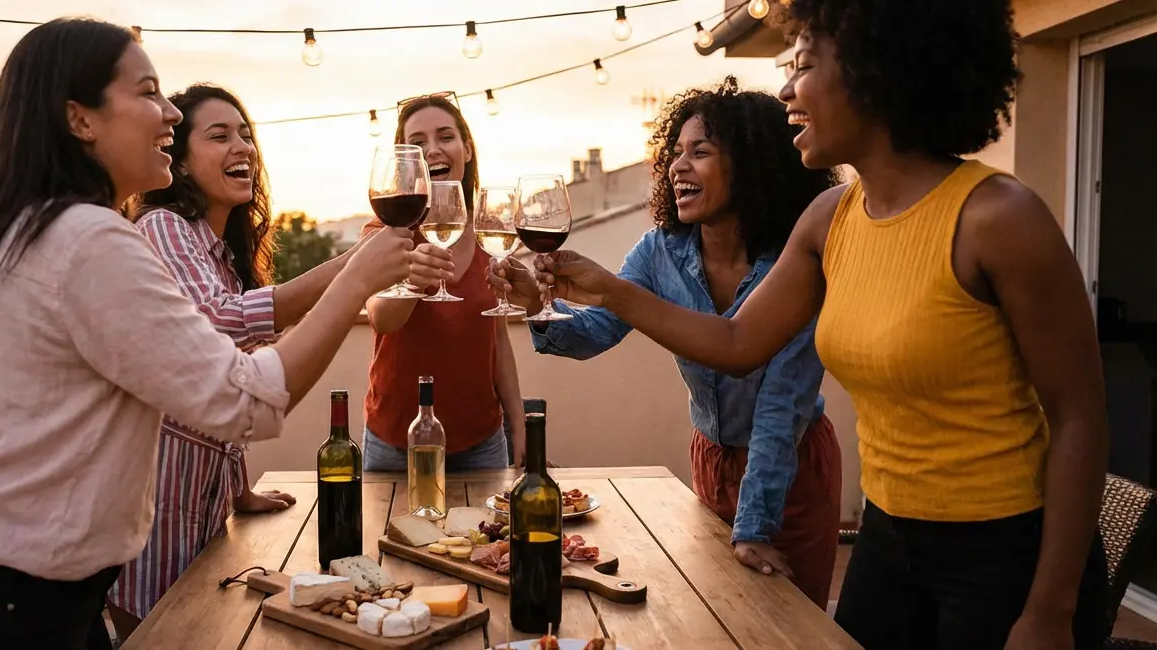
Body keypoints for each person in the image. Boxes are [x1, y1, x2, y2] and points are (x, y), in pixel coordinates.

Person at [522, 1, 1110, 648]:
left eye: (803, 64)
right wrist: (605, 289)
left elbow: (1079, 414)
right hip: (888, 543)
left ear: (874, 71)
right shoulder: (831, 217)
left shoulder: (999, 218)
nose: (786, 90)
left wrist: (1051, 608)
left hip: (1006, 552)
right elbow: (739, 343)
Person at [0, 18, 412, 650]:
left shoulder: (26, 229)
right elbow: (243, 400)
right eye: (149, 92)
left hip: (5, 599)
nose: (171, 113)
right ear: (81, 119)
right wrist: (353, 283)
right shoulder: (87, 240)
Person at [491, 77, 842, 607]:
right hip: (709, 458)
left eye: (699, 152)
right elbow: (594, 332)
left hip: (789, 469)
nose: (677, 166)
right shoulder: (660, 251)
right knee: (718, 616)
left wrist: (754, 527)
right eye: (675, 152)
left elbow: (781, 409)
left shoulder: (797, 262)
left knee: (788, 625)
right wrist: (536, 306)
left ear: (751, 165)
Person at [104, 82, 380, 639]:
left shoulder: (221, 254)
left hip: (199, 514)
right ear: (179, 161)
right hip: (154, 522)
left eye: (247, 134)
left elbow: (222, 378)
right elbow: (219, 319)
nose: (243, 147)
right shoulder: (163, 228)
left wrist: (238, 491)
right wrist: (357, 267)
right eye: (220, 135)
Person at [361, 94, 526, 471]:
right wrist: (415, 283)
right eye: (417, 144)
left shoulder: (488, 235)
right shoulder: (383, 233)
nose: (433, 150)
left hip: (482, 443)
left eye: (445, 137)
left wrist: (517, 423)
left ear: (466, 149)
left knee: (487, 532)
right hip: (395, 444)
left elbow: (497, 339)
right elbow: (381, 318)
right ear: (405, 162)